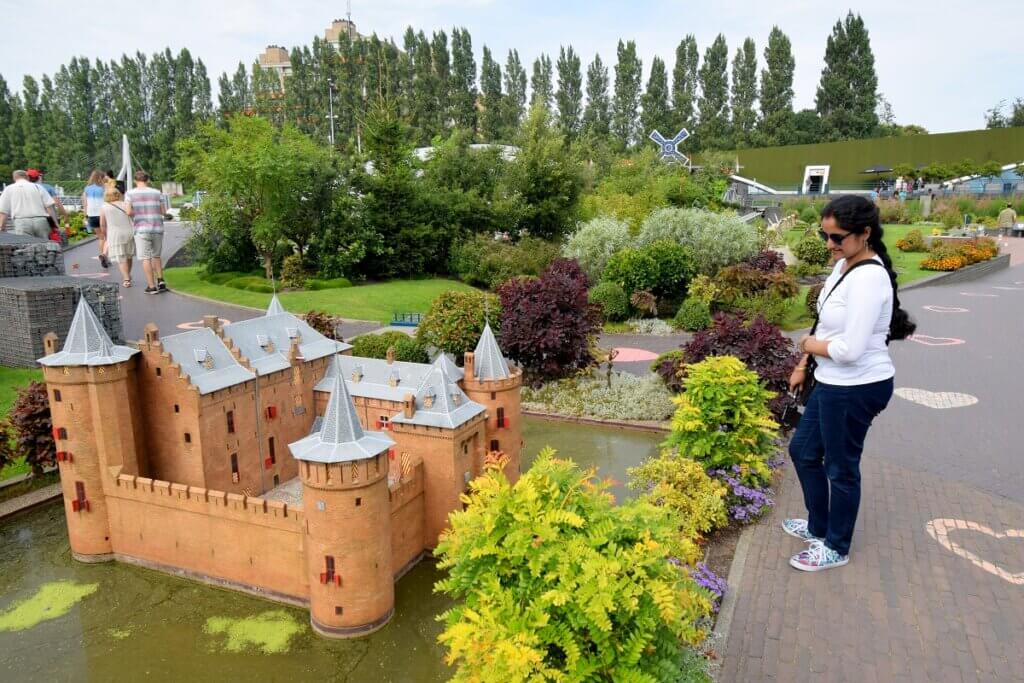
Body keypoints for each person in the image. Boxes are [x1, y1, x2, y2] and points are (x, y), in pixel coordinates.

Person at [784, 195, 916, 572]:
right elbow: (826, 326)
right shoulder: (842, 267)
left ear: (865, 233)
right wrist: (803, 361)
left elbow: (850, 349)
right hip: (829, 380)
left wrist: (808, 345)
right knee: (803, 452)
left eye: (837, 237)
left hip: (857, 386)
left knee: (841, 468)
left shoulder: (869, 279)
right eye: (825, 235)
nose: (830, 245)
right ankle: (817, 524)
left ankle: (836, 545)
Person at [125, 170, 166, 294]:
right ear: (147, 180)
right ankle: (161, 280)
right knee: (156, 255)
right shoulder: (157, 192)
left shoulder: (130, 193)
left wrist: (138, 212)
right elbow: (163, 211)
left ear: (135, 181)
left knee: (145, 258)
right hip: (157, 227)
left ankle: (151, 286)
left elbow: (128, 212)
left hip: (141, 228)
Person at [100, 182, 136, 287]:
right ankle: (128, 274)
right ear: (118, 194)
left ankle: (126, 279)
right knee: (129, 255)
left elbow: (102, 224)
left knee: (121, 257)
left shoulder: (104, 207)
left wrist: (104, 234)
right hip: (129, 232)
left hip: (115, 234)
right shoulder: (125, 204)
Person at [0, 169, 54, 238]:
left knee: (25, 246)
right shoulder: (38, 187)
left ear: (14, 178)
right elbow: (49, 206)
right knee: (45, 245)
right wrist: (53, 225)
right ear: (27, 177)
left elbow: (3, 211)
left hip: (21, 222)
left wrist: (2, 227)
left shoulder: (9, 189)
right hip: (41, 220)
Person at [82, 170, 109, 267]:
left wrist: (86, 216)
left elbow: (85, 204)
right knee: (108, 237)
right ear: (101, 178)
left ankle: (103, 255)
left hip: (91, 216)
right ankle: (104, 255)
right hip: (103, 215)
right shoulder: (103, 188)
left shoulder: (86, 189)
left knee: (101, 237)